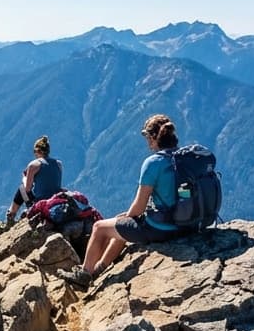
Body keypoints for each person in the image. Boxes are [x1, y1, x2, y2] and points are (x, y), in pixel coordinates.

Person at [59, 114, 185, 288]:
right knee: (123, 225)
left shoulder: (154, 163)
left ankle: (85, 273)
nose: (147, 142)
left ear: (154, 137)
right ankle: (99, 269)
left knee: (100, 227)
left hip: (163, 228)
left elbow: (139, 208)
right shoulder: (183, 157)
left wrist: (127, 216)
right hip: (186, 224)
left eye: (147, 137)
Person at [5, 136, 63, 223]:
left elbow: (27, 188)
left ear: (37, 151)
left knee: (22, 188)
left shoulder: (34, 165)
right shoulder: (58, 164)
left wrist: (24, 178)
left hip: (40, 203)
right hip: (55, 201)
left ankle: (11, 214)